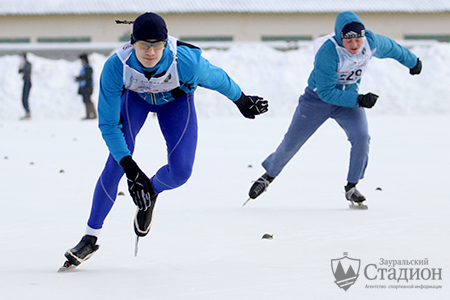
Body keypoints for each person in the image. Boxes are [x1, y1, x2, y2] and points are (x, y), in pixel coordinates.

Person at [61, 12, 268, 269]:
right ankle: (90, 238)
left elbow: (217, 78)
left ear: (165, 42)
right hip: (136, 100)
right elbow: (108, 125)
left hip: (177, 102)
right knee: (116, 163)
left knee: (181, 171)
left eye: (157, 44)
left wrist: (242, 100)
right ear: (132, 43)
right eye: (144, 45)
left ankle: (153, 191)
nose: (151, 52)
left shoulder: (186, 61)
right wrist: (131, 168)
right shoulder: (116, 66)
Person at [248, 11, 421, 207]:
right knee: (291, 143)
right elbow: (327, 93)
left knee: (362, 137)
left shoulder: (370, 42)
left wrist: (413, 62)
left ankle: (351, 187)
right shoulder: (328, 53)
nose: (355, 45)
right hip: (316, 101)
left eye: (358, 39)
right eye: (349, 41)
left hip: (349, 102)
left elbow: (393, 48)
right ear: (340, 38)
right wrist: (359, 99)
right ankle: (268, 175)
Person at [75, 53, 97, 119]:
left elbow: (87, 77)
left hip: (87, 87)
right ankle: (89, 114)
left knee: (88, 100)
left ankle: (93, 114)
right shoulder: (84, 67)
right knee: (86, 100)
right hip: (85, 87)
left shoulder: (88, 68)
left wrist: (79, 78)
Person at [18, 52, 32, 120]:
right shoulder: (23, 64)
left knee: (25, 98)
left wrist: (23, 67)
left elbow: (27, 72)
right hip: (25, 82)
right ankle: (27, 112)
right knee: (23, 98)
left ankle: (28, 112)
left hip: (28, 82)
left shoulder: (28, 64)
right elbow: (19, 71)